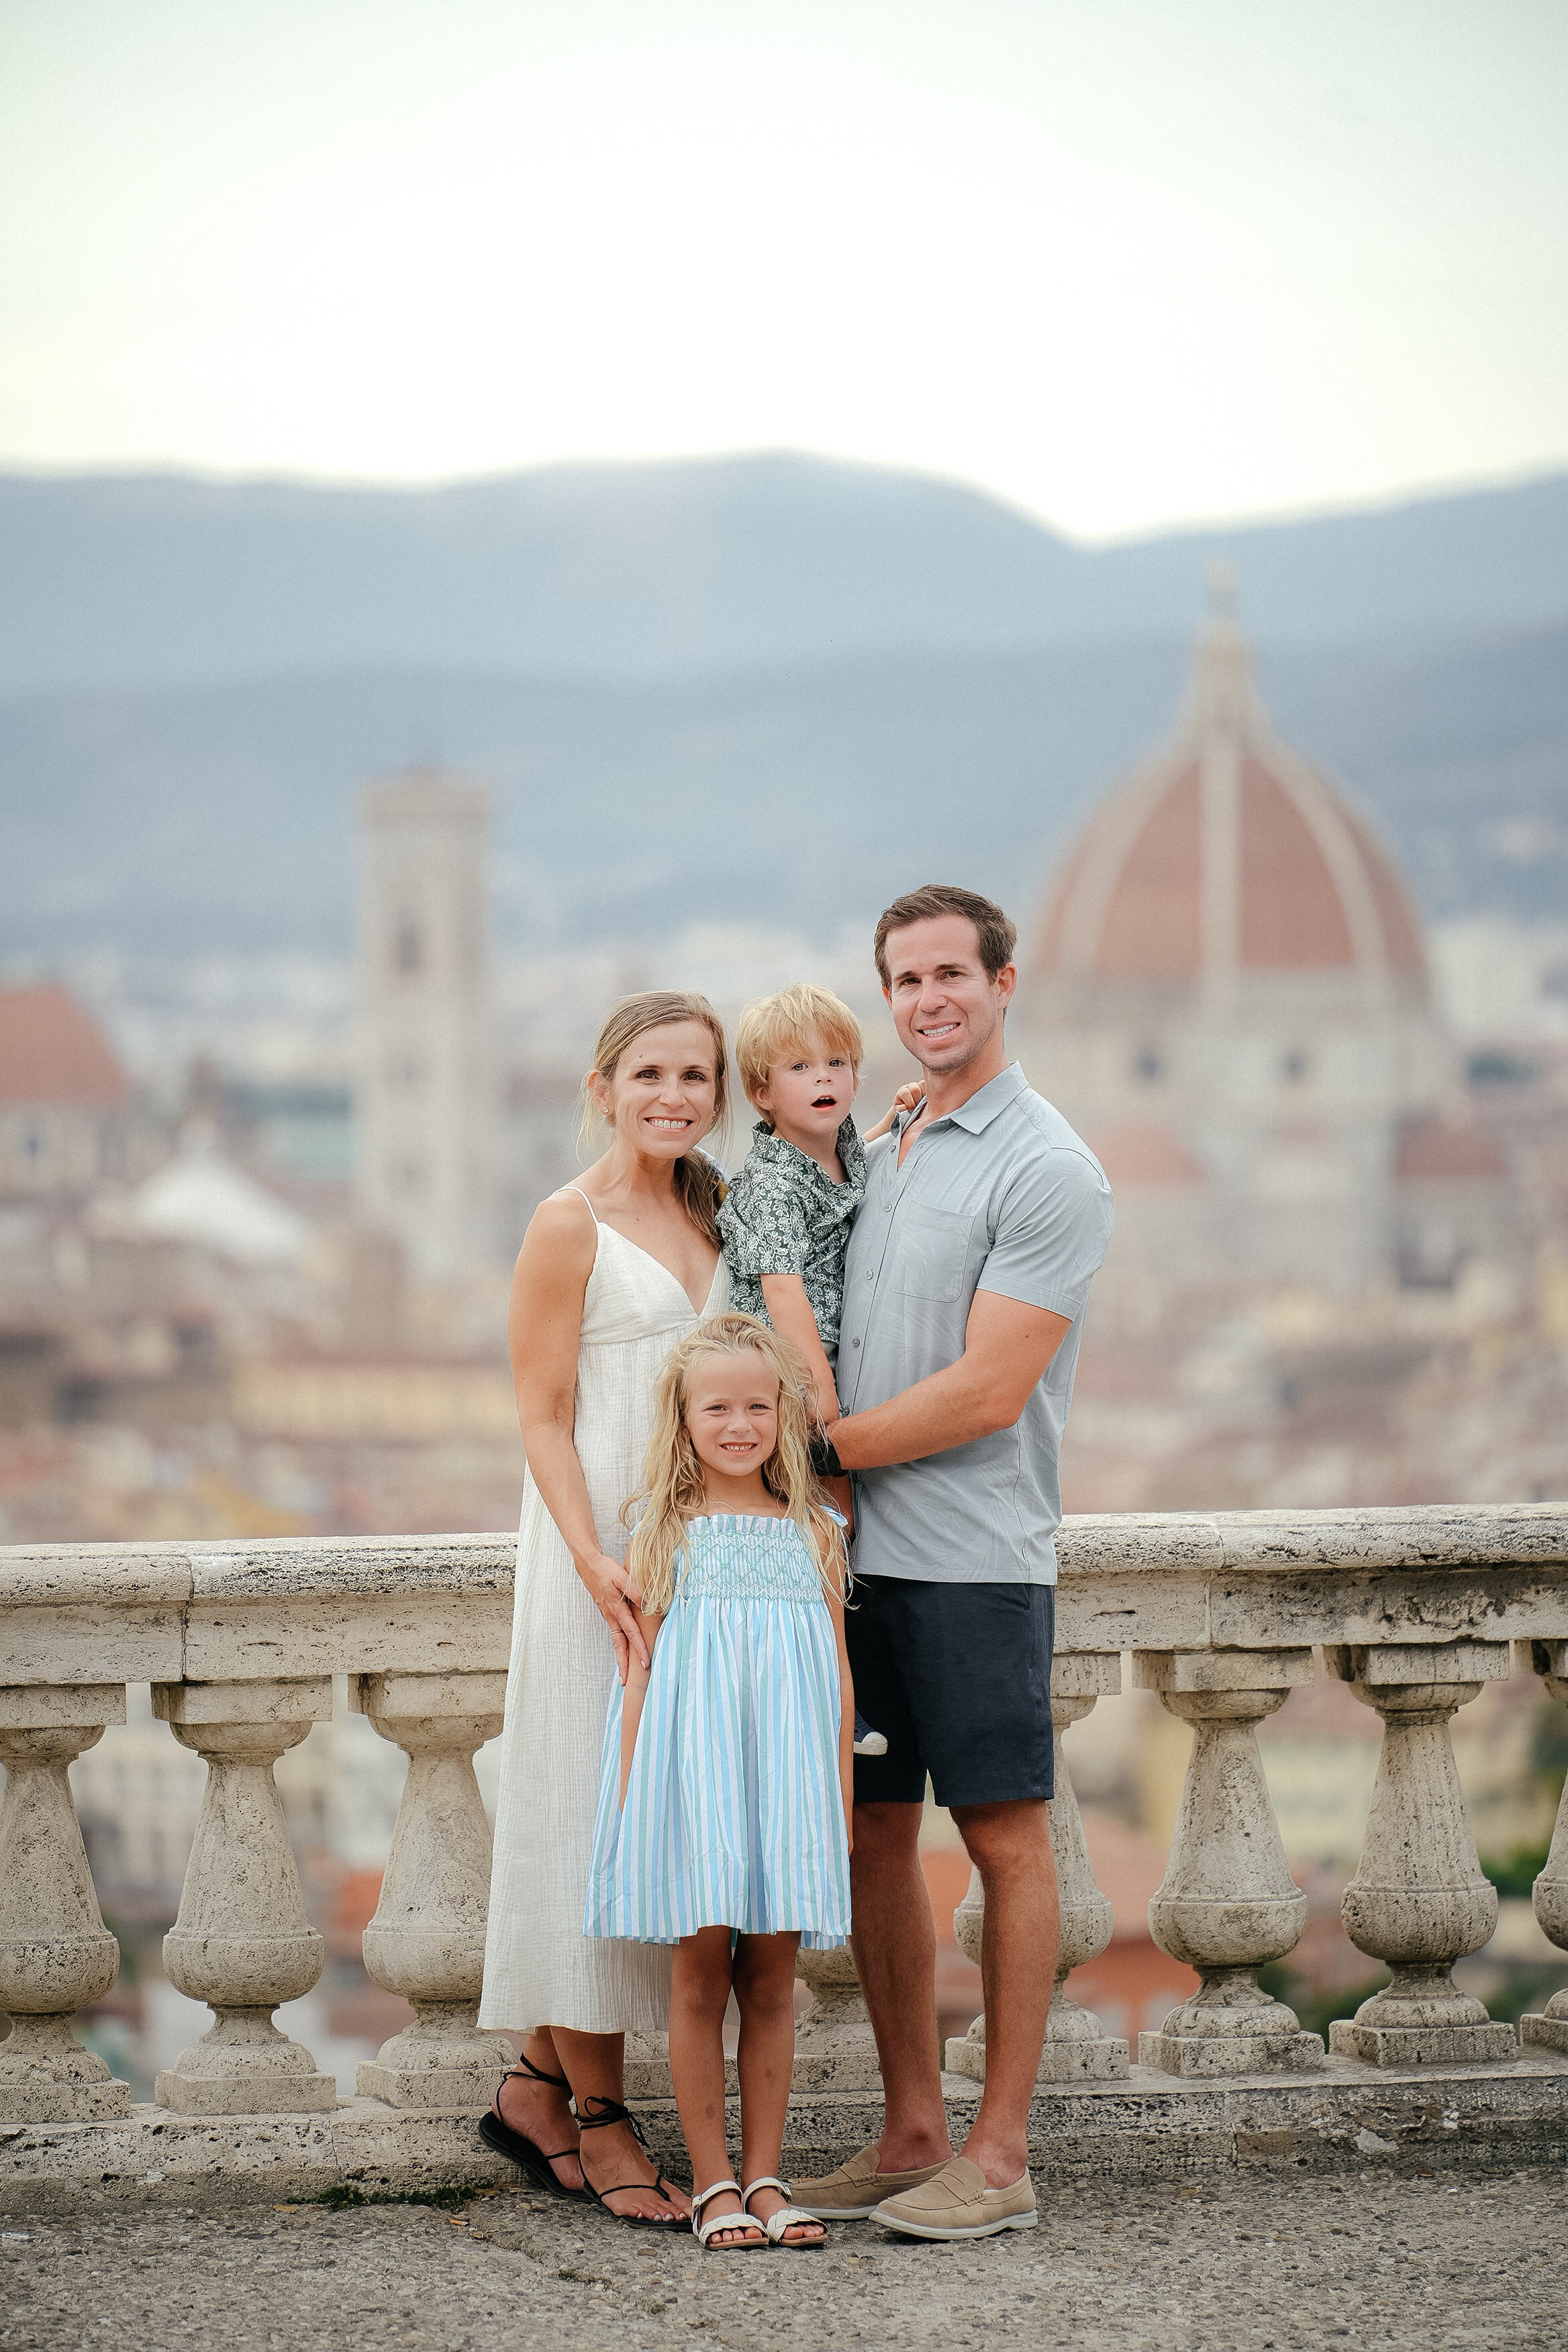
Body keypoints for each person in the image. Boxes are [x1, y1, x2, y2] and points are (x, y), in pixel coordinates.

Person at [793, 883, 1114, 2243]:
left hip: (975, 1562)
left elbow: (989, 1391)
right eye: (904, 981)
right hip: (862, 1565)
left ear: (1003, 981)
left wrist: (825, 1457)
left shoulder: (1048, 1165)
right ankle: (912, 2131)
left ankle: (998, 2155)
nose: (927, 1000)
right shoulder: (883, 1142)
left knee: (1001, 1839)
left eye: (949, 976)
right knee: (874, 1838)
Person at [477, 990, 732, 2228]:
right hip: (600, 1559)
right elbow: (540, 1408)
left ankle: (534, 2080)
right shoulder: (563, 1222)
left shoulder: (717, 1207)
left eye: (696, 1074)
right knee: (592, 1816)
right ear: (603, 1083)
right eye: (651, 1073)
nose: (674, 1094)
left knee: (657, 1832)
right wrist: (593, 1558)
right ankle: (598, 2114)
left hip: (709, 1559)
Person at [584, 1313, 853, 2252]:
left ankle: (769, 2177)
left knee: (773, 1982)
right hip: (692, 1790)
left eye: (756, 1405)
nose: (738, 1424)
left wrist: (839, 1804)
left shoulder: (818, 1531)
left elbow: (839, 1676)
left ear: (783, 1414)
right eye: (717, 1408)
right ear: (684, 1418)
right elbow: (641, 1675)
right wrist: (633, 1803)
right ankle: (712, 2184)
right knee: (698, 1981)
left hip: (788, 1789)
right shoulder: (660, 1533)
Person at [716, 980, 916, 1758]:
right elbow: (782, 1292)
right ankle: (834, 1692)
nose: (825, 1078)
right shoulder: (767, 1182)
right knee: (825, 1524)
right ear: (763, 1092)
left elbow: (849, 1167)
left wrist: (896, 1117)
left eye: (838, 1061)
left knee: (836, 1528)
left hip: (819, 1368)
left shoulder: (836, 1154)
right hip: (782, 1378)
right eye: (801, 1067)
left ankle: (837, 1682)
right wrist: (820, 1399)